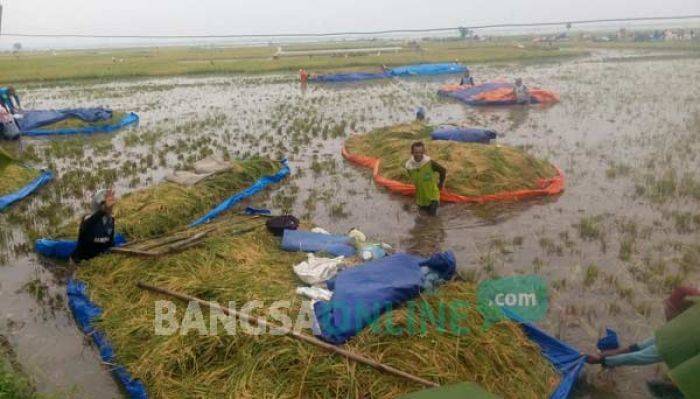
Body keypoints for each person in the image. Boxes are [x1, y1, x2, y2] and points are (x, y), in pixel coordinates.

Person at [586, 285, 700, 398]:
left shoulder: (676, 337)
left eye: (670, 308)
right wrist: (602, 358)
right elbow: (637, 352)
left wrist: (602, 359)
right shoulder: (679, 332)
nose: (666, 312)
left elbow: (638, 356)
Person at [70, 189, 117, 263]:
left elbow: (110, 243)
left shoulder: (111, 220)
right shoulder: (88, 220)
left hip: (98, 261)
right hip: (81, 262)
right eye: (105, 205)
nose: (110, 208)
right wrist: (104, 209)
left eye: (111, 206)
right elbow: (93, 220)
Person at [405, 141, 446, 216]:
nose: (418, 154)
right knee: (421, 219)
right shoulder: (409, 166)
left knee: (432, 219)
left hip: (433, 196)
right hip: (421, 199)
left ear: (423, 152)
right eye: (416, 152)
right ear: (412, 152)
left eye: (421, 152)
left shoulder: (429, 163)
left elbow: (443, 170)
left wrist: (440, 184)